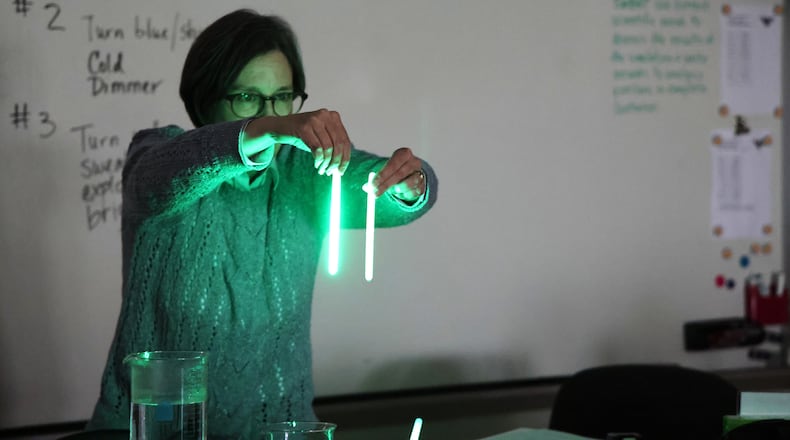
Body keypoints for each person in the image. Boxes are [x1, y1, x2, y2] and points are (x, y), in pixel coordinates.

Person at [86, 9, 437, 439]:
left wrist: (410, 184)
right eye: (248, 97)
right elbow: (163, 175)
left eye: (283, 97)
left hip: (282, 430)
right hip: (153, 431)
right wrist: (268, 128)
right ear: (205, 97)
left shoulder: (301, 172)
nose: (275, 114)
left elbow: (392, 193)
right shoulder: (158, 152)